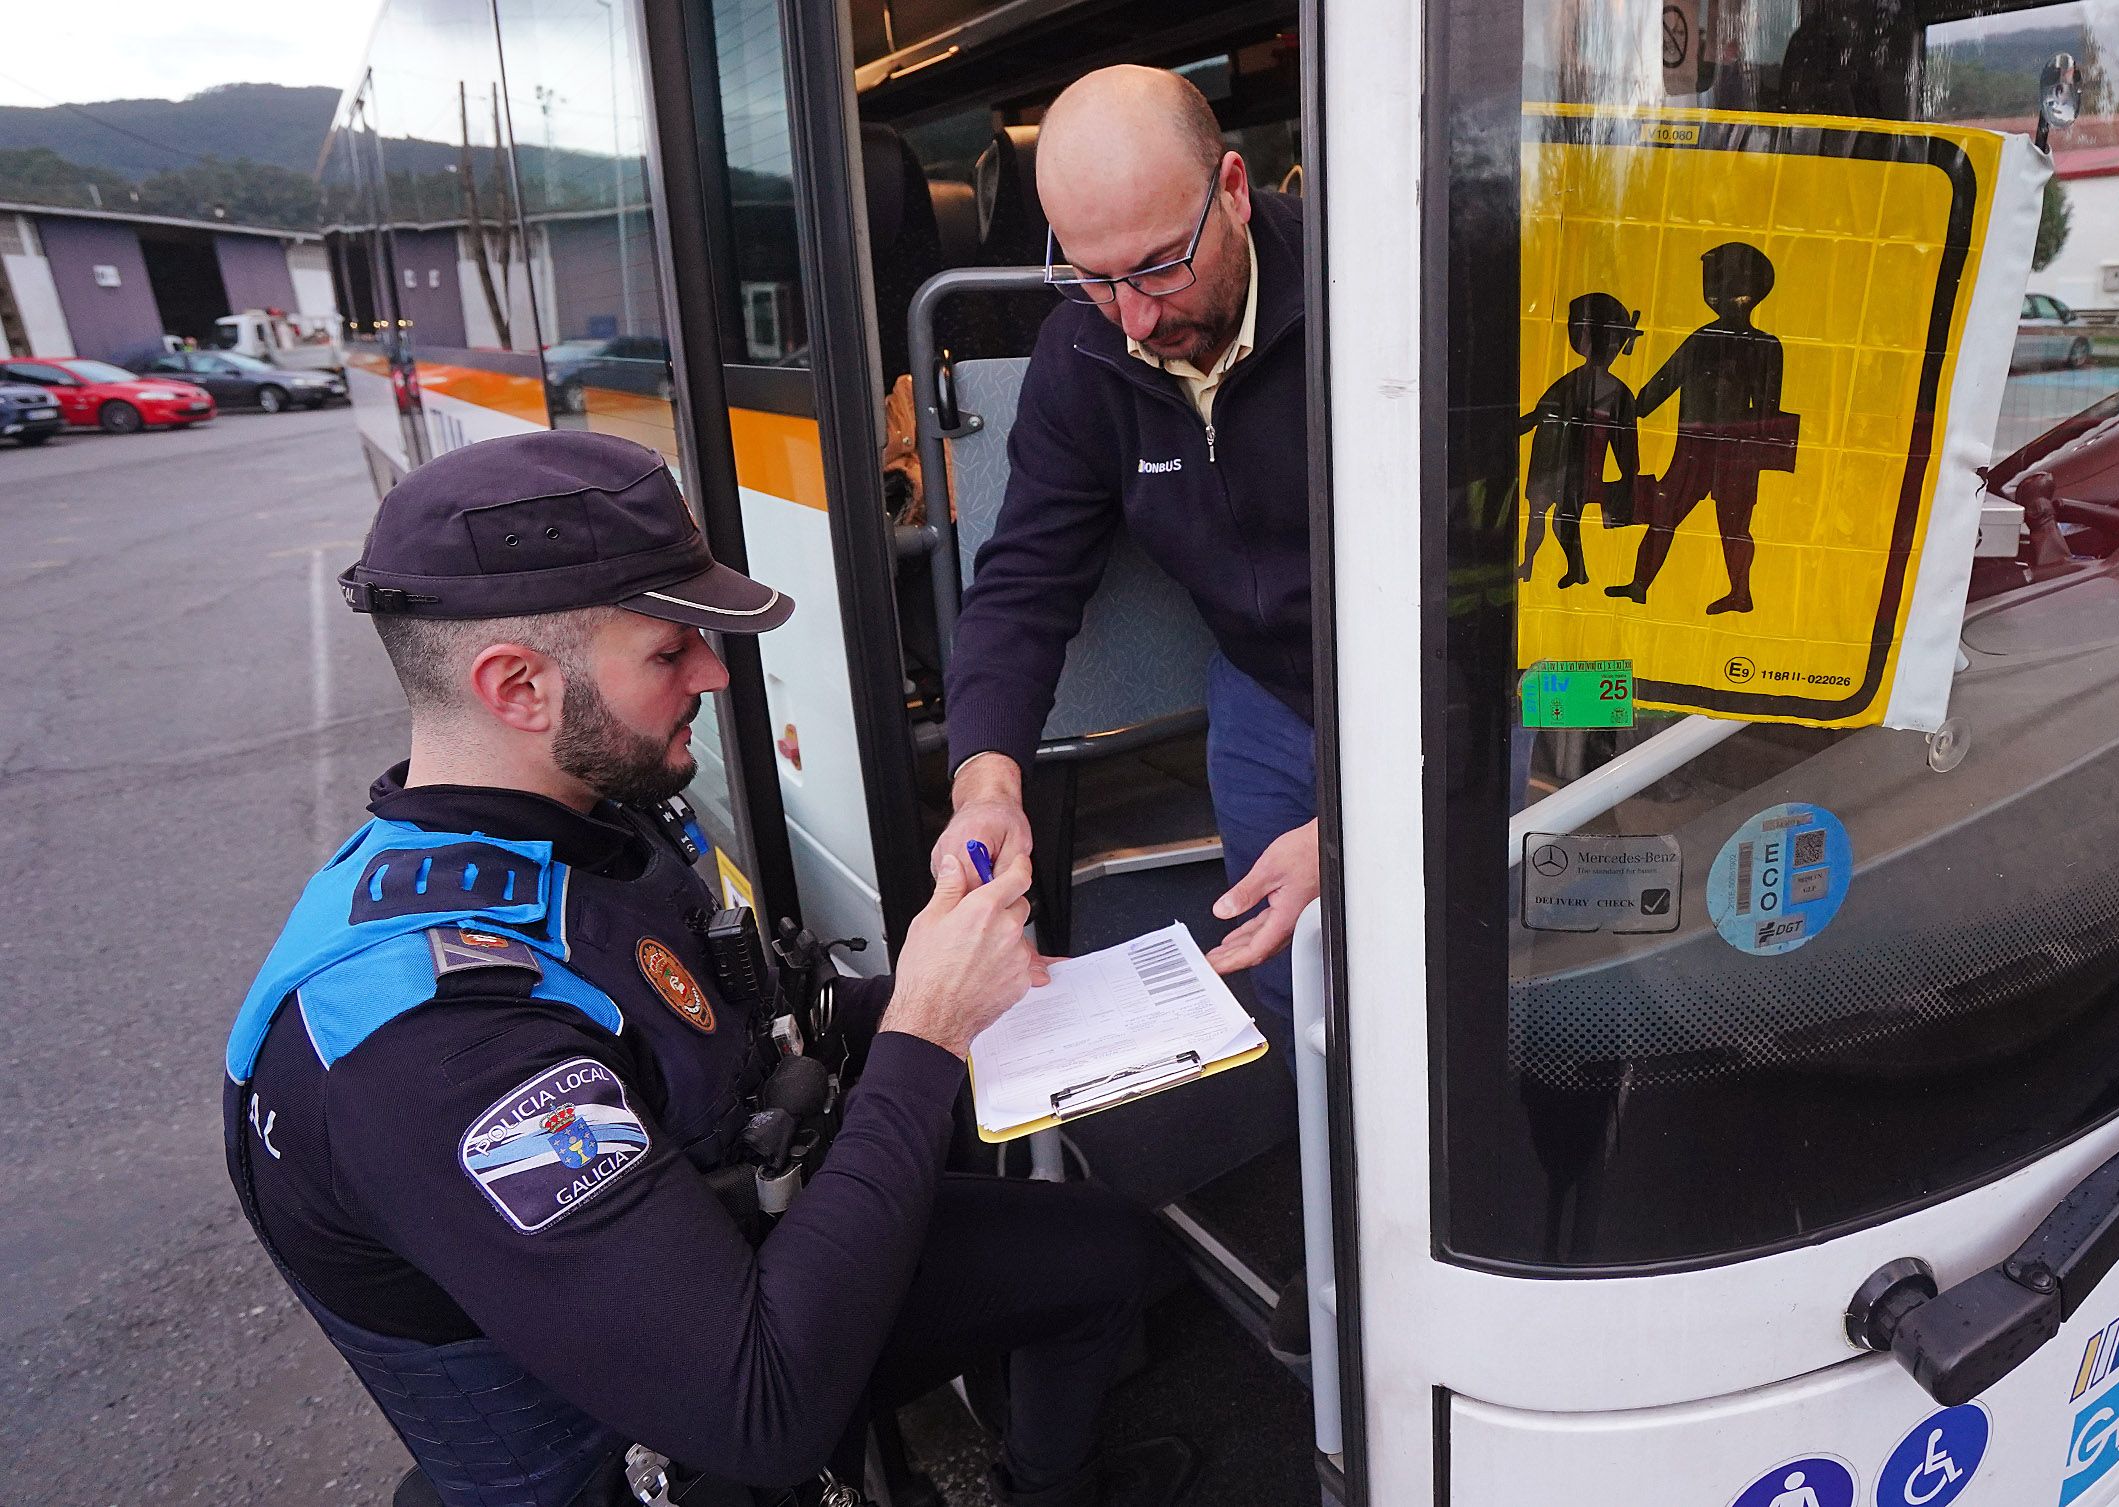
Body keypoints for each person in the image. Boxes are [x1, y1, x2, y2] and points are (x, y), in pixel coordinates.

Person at [224, 431, 1192, 1507]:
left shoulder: (578, 832)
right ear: (519, 687)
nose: (713, 672)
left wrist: (995, 997)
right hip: (665, 1437)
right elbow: (763, 1410)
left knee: (1104, 1256)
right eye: (668, 649)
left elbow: (755, 1023)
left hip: (738, 1259)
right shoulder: (436, 1049)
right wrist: (925, 1028)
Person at [936, 67, 1314, 1210]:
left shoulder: (1381, 288)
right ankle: (1352, 1212)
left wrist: (1361, 830)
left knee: (1485, 968)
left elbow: (1506, 601)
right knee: (1299, 981)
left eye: (1157, 265)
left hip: (1466, 687)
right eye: (1093, 280)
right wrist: (983, 784)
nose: (1137, 318)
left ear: (1234, 190)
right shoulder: (1082, 357)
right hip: (1266, 696)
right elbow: (1021, 587)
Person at [1605, 240, 1799, 614]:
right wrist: (1631, 407)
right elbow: (1663, 384)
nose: (1711, 288)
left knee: (1734, 526)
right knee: (1664, 517)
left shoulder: (1765, 346)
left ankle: (1740, 593)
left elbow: (1767, 409)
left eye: (1717, 278)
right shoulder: (1703, 339)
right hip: (1693, 450)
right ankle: (1640, 584)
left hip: (1735, 455)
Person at [1517, 291, 1645, 588]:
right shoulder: (1573, 381)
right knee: (1540, 514)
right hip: (1550, 458)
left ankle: (1575, 569)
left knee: (1563, 519)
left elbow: (1625, 442)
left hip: (1579, 467)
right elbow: (1541, 412)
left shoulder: (1618, 393)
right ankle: (1530, 564)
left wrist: (1629, 478)